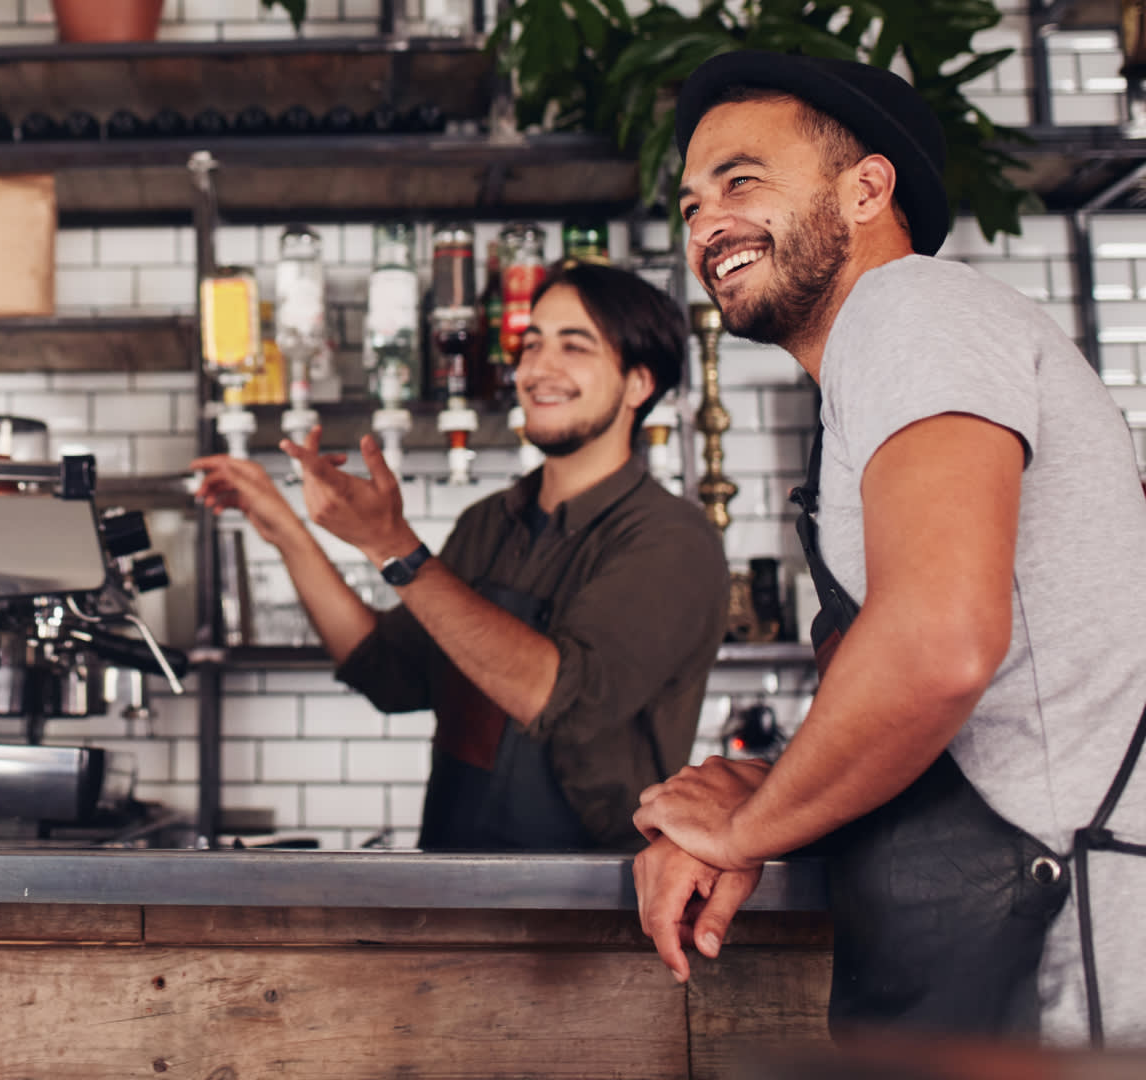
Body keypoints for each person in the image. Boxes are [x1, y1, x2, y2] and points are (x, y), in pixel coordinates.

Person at [630, 49, 1146, 1048]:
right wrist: (775, 786)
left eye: (740, 181)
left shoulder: (908, 308)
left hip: (1067, 973)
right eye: (690, 204)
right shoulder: (873, 369)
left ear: (866, 187)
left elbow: (937, 644)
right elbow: (914, 683)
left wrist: (742, 829)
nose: (705, 225)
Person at [195, 260, 729, 852]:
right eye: (530, 344)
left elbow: (554, 695)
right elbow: (388, 673)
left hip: (590, 907)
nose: (537, 369)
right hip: (457, 882)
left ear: (638, 383)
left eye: (574, 347)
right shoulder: (489, 523)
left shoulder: (670, 539)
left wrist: (391, 545)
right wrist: (289, 533)